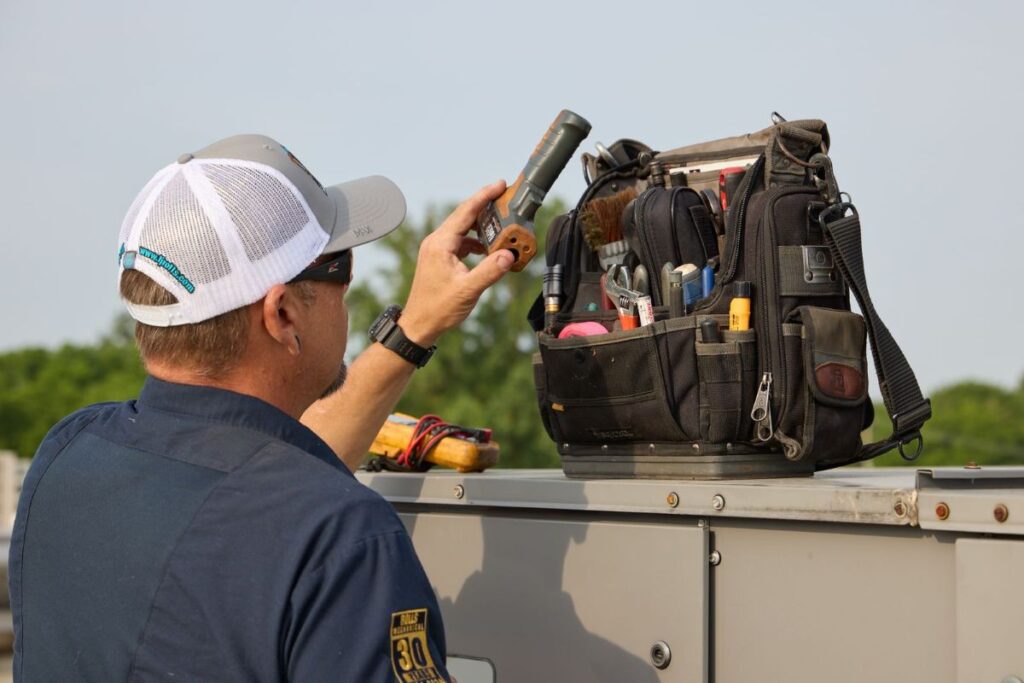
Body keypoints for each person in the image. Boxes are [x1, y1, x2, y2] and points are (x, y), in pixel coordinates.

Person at [8, 134, 514, 682]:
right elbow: (288, 502)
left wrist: (413, 329)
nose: (350, 289)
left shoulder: (69, 454)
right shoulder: (346, 539)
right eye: (340, 267)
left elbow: (264, 478)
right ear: (282, 315)